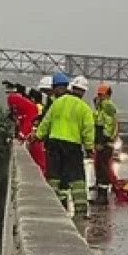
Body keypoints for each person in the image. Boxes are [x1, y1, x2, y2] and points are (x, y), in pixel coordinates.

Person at [32, 71, 95, 215]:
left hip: (54, 143)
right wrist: (89, 148)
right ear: (84, 92)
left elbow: (46, 122)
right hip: (73, 145)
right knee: (76, 177)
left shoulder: (57, 103)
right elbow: (88, 130)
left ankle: (56, 203)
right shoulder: (84, 108)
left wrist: (38, 136)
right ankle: (80, 209)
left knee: (54, 175)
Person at [5, 80, 46, 174]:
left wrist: (23, 134)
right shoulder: (38, 106)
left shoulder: (41, 106)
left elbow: (39, 99)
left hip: (40, 138)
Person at [91, 81, 122, 203]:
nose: (99, 97)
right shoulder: (102, 109)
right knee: (100, 168)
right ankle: (100, 194)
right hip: (102, 144)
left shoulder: (107, 108)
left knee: (103, 170)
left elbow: (106, 128)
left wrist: (101, 142)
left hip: (105, 144)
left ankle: (103, 196)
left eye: (101, 95)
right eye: (98, 94)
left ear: (107, 95)